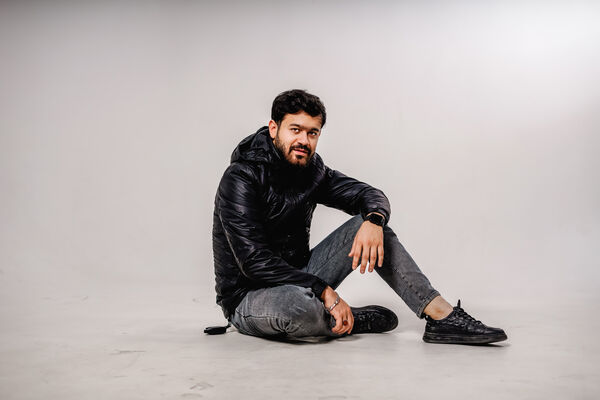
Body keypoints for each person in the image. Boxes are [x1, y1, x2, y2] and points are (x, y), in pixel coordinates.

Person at [211, 89, 507, 344]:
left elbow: (368, 194)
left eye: (312, 133)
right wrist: (324, 292)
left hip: (301, 277)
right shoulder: (241, 178)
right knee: (299, 308)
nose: (304, 140)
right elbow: (254, 262)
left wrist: (375, 220)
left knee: (372, 227)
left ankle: (441, 316)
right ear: (274, 129)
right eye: (295, 130)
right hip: (249, 296)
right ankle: (345, 318)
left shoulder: (312, 171)